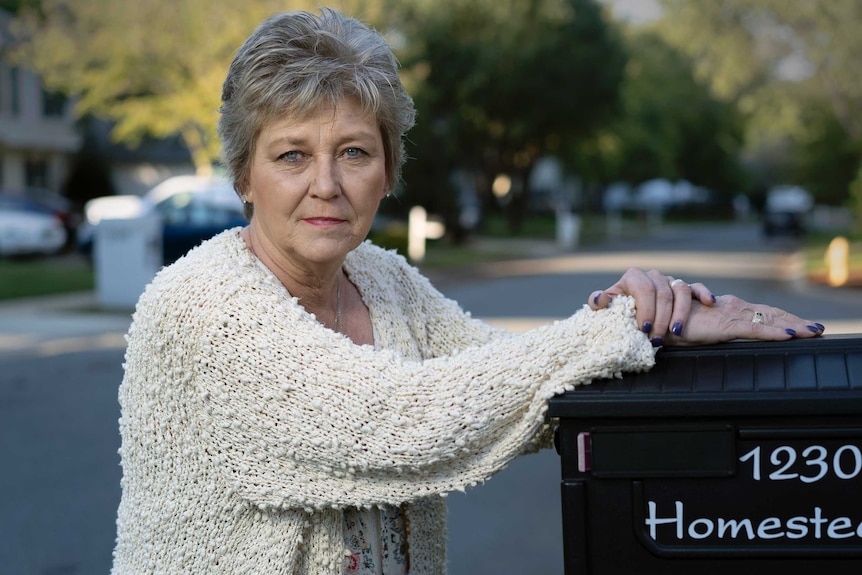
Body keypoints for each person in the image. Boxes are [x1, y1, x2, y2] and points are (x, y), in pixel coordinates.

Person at [110, 8, 825, 575]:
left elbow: (527, 392)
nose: (325, 184)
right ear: (244, 175)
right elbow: (394, 423)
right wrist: (617, 327)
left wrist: (664, 328)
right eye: (292, 154)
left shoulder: (384, 278)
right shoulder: (199, 306)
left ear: (388, 170)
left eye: (354, 152)